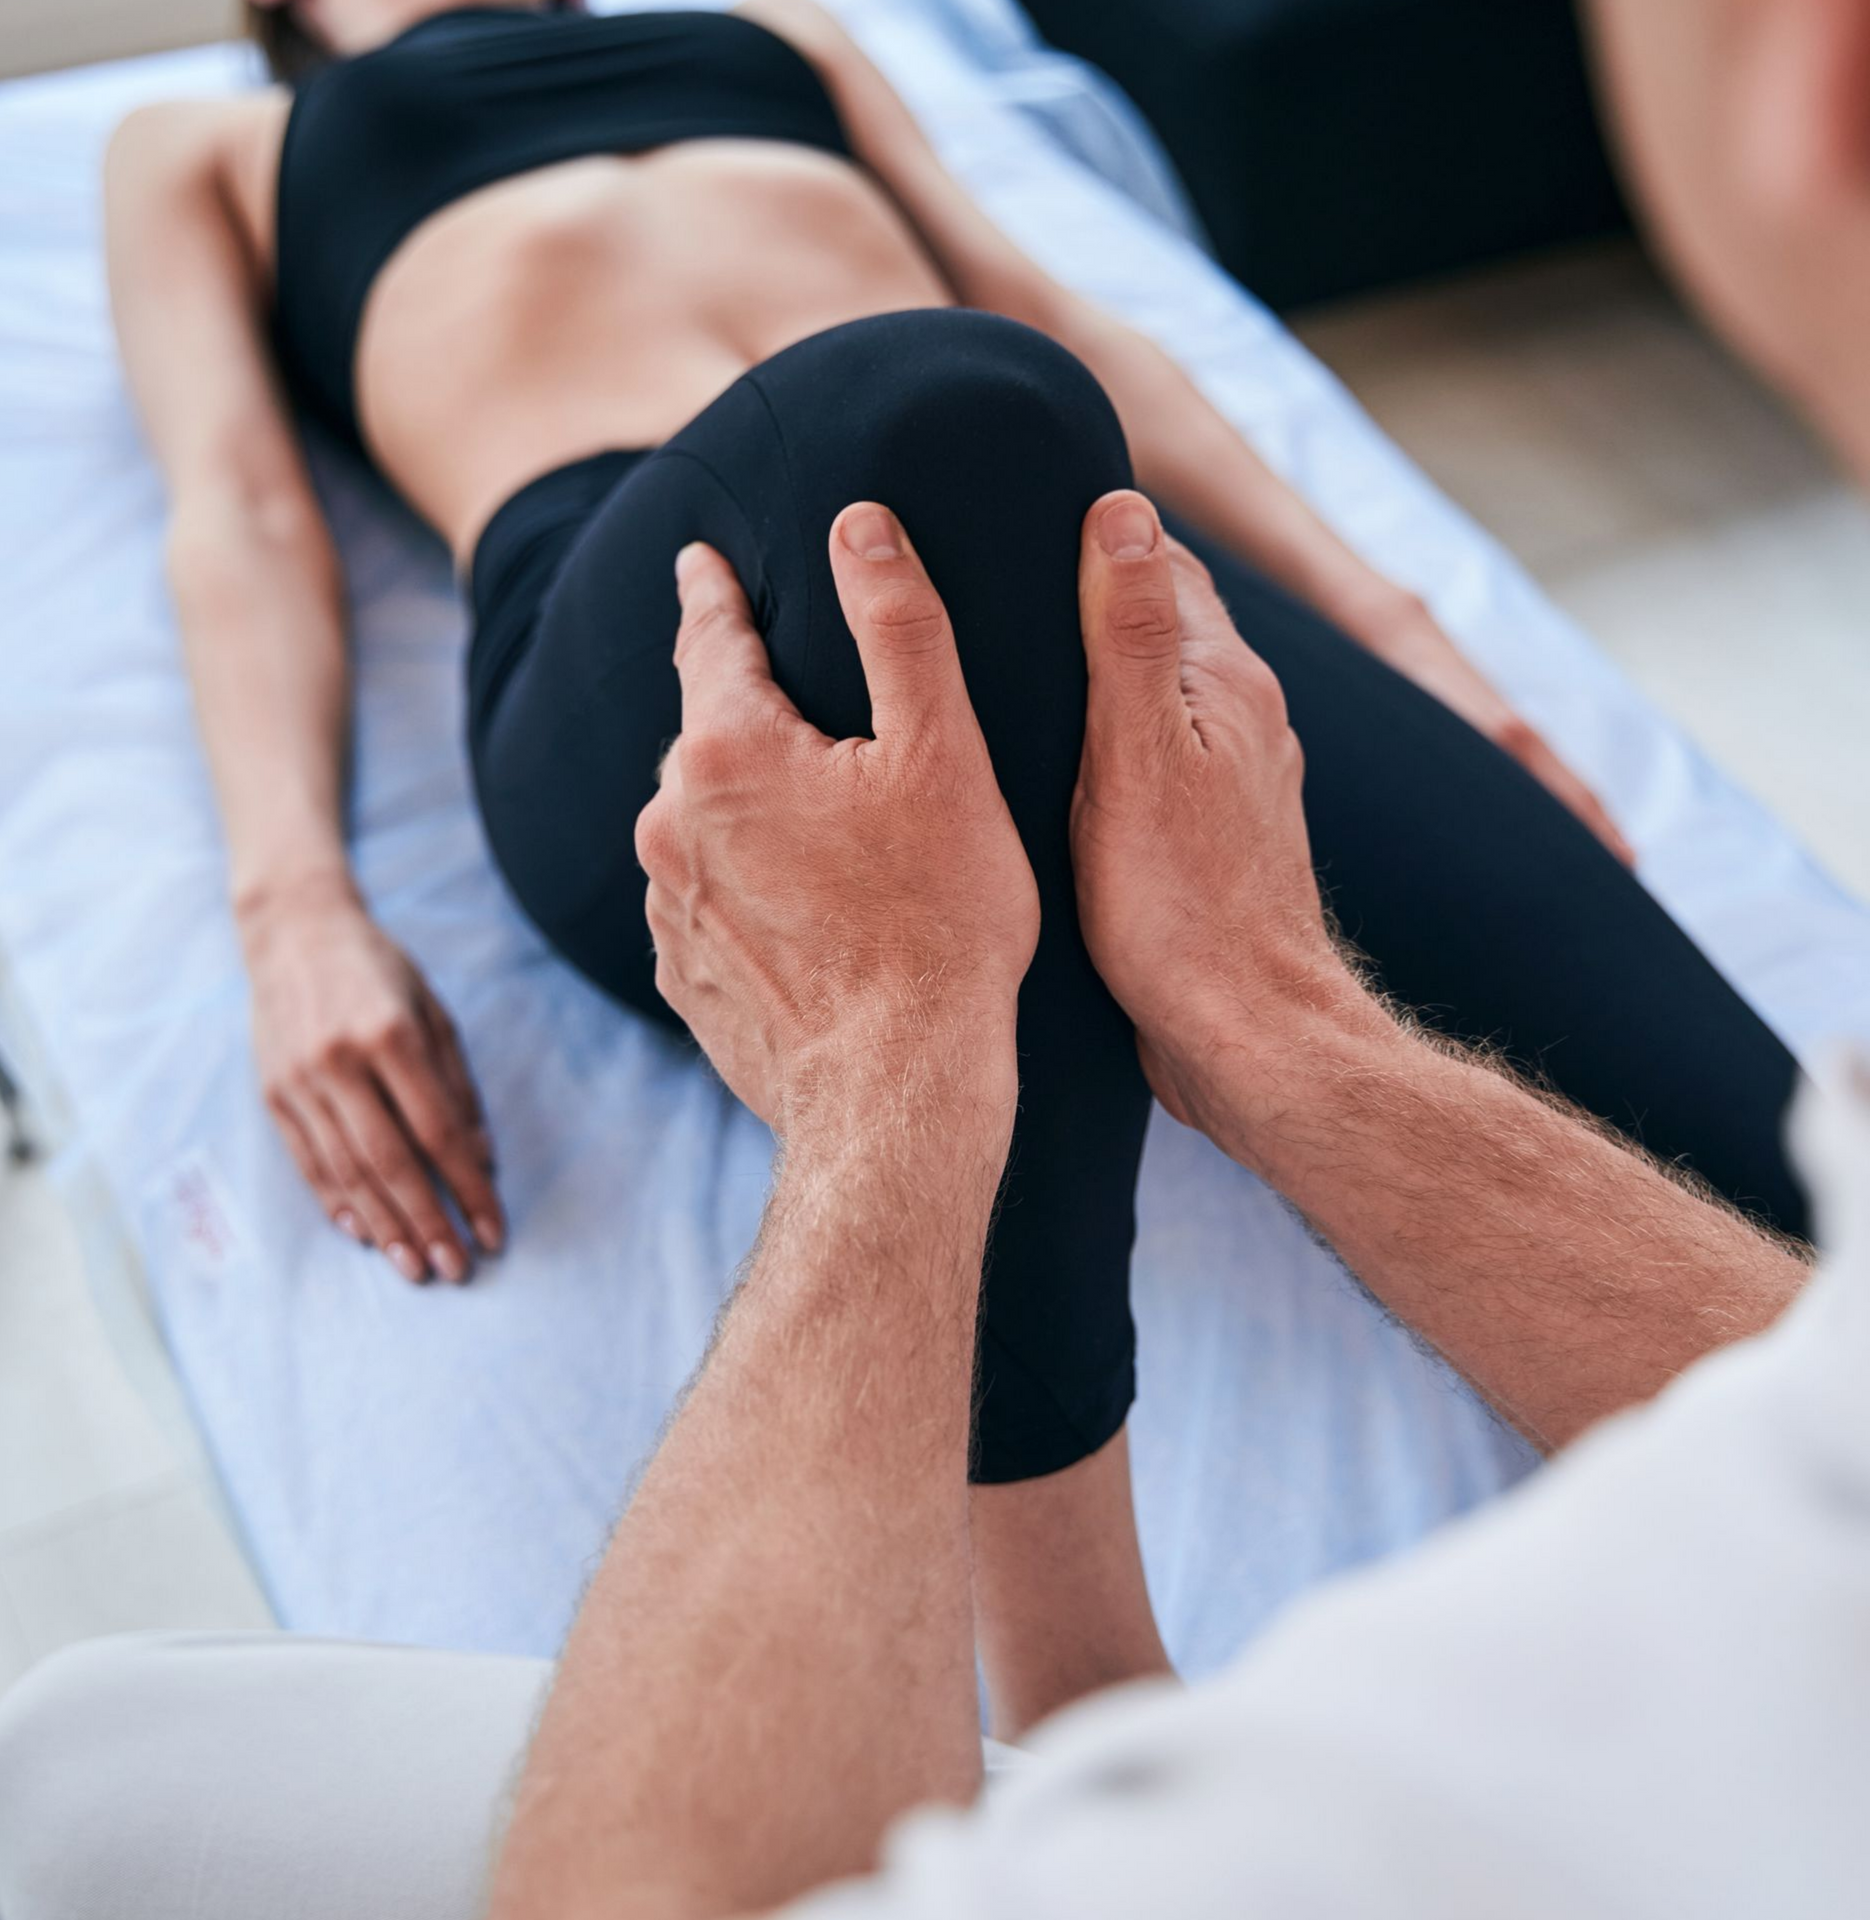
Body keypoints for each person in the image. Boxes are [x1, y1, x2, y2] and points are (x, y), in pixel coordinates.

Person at [109, 0, 1809, 1735]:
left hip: (1077, 539)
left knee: (1784, 1206)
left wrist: (1400, 627)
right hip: (671, 646)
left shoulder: (774, 27)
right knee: (928, 393)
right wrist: (293, 907)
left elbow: (1064, 320)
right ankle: (1079, 1680)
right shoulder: (212, 148)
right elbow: (235, 509)